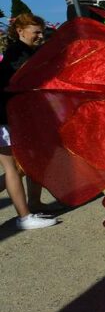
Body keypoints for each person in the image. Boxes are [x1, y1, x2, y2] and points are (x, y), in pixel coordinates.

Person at [0, 13, 58, 229]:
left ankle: (33, 203)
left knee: (30, 163)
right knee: (13, 167)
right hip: (5, 116)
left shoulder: (26, 51)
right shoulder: (17, 54)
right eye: (36, 32)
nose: (40, 36)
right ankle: (24, 217)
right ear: (20, 31)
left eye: (42, 31)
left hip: (17, 117)